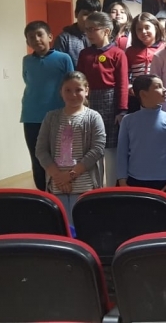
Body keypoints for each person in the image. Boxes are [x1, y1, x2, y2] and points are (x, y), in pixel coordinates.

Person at [34, 71, 106, 223]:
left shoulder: (93, 117)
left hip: (84, 185)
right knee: (63, 226)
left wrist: (70, 175)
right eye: (68, 90)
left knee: (83, 225)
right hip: (57, 184)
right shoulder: (51, 117)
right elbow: (41, 150)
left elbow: (97, 149)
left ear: (86, 90)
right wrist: (58, 176)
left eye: (78, 90)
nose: (73, 94)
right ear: (61, 92)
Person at [22, 21, 75, 191]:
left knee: (60, 156)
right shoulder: (27, 60)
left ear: (50, 37)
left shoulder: (63, 58)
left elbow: (71, 84)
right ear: (27, 42)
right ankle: (43, 195)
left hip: (58, 115)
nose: (36, 39)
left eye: (40, 35)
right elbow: (28, 81)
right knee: (37, 157)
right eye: (31, 37)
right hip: (31, 116)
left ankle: (61, 191)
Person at [76, 12, 128, 183]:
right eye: (87, 30)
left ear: (106, 31)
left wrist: (121, 110)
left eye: (93, 29)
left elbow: (122, 83)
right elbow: (80, 80)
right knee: (92, 145)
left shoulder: (117, 53)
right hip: (90, 102)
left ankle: (112, 186)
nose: (89, 33)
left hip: (111, 102)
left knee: (111, 148)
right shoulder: (84, 54)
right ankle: (95, 186)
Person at [116, 74, 166, 197]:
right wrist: (122, 181)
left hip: (165, 183)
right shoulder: (128, 120)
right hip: (134, 182)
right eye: (158, 87)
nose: (165, 90)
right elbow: (121, 153)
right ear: (143, 94)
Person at [125, 13, 164, 113]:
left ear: (156, 27)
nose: (143, 32)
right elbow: (125, 74)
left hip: (158, 94)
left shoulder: (164, 48)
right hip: (137, 95)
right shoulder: (130, 51)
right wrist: (130, 87)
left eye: (147, 27)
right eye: (139, 29)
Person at [53, 0, 101, 66]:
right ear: (76, 14)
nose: (90, 19)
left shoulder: (102, 36)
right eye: (86, 14)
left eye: (94, 15)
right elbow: (58, 65)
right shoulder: (64, 39)